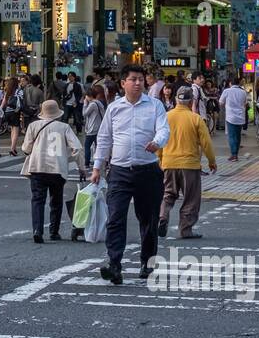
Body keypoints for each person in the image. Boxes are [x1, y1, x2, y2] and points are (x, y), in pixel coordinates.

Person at [91, 64, 171, 283]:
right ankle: (114, 264)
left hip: (148, 170)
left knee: (149, 219)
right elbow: (104, 138)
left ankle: (147, 261)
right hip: (119, 171)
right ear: (123, 83)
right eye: (133, 79)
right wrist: (97, 167)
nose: (138, 83)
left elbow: (164, 129)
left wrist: (158, 142)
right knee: (115, 218)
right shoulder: (114, 108)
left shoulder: (155, 105)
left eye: (140, 79)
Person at [22, 99, 86, 243]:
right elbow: (77, 148)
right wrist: (80, 167)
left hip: (37, 167)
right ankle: (54, 231)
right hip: (57, 168)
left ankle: (37, 230)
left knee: (38, 200)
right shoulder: (64, 127)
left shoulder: (33, 126)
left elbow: (25, 149)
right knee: (56, 200)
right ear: (57, 113)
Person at [159, 86, 217, 239]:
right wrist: (212, 161)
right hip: (189, 165)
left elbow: (158, 140)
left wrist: (160, 160)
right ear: (191, 101)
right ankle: (185, 229)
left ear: (176, 100)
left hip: (168, 162)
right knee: (191, 198)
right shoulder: (195, 118)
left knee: (168, 194)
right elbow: (206, 144)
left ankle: (162, 216)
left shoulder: (166, 117)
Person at [219, 77, 250, 161]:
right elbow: (245, 103)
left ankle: (234, 154)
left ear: (230, 83)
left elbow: (221, 102)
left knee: (232, 136)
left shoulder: (227, 91)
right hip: (240, 116)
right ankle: (235, 153)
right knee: (238, 135)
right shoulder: (243, 92)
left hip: (231, 117)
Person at [81, 84, 106, 167]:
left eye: (86, 96)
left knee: (87, 146)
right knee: (97, 146)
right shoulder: (99, 102)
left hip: (92, 129)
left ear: (89, 96)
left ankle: (86, 163)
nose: (85, 98)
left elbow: (84, 114)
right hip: (99, 127)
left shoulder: (92, 104)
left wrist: (85, 104)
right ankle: (97, 161)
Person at [1, 76, 24, 155]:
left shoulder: (7, 90)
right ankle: (12, 148)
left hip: (7, 112)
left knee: (12, 129)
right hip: (15, 112)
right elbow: (21, 101)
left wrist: (0, 110)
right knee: (16, 130)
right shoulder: (19, 91)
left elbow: (4, 101)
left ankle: (13, 147)